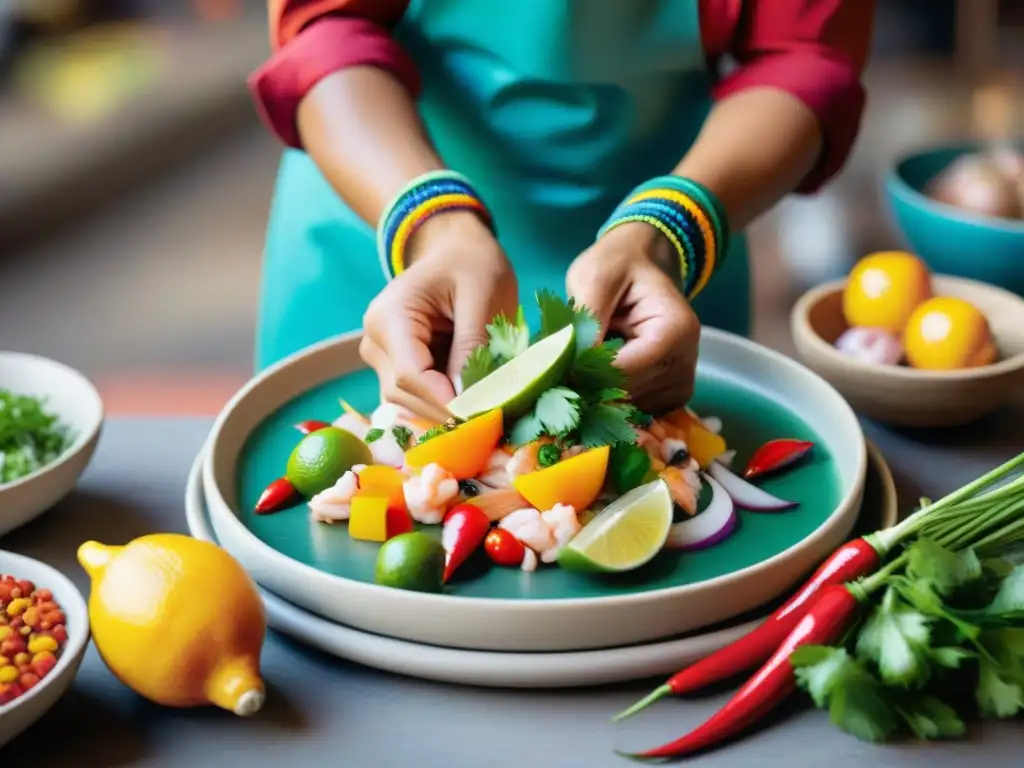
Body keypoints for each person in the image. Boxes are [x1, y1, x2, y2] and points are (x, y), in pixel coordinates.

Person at [250, 0, 874, 422]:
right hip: (379, 203)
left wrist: (669, 226)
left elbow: (804, 56)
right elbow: (326, 24)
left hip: (670, 241)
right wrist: (430, 223)